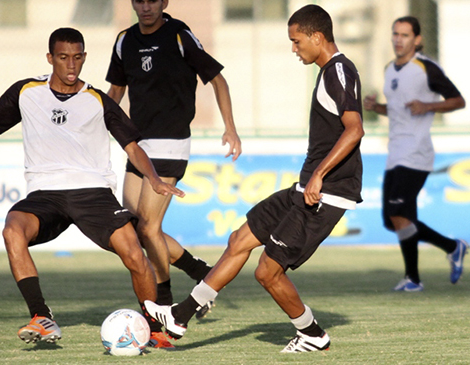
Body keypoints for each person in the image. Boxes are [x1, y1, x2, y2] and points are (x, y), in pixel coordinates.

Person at [0, 27, 184, 344]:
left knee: (135, 254)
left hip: (93, 193)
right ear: (50, 58)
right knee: (12, 229)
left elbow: (133, 147)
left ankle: (153, 329)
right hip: (45, 195)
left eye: (77, 58)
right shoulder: (26, 92)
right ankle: (41, 316)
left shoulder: (98, 100)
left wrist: (153, 177)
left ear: (84, 58)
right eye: (63, 57)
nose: (71, 65)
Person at [145, 4, 365, 353]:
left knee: (267, 272)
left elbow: (355, 130)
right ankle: (181, 316)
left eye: (296, 41)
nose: (294, 49)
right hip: (306, 186)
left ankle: (312, 335)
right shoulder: (329, 73)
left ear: (316, 37)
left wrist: (320, 176)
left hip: (326, 193)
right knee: (240, 238)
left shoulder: (339, 71)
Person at [105, 0, 242, 348]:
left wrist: (230, 127)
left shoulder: (179, 35)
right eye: (139, 0)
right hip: (137, 144)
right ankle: (200, 272)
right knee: (134, 230)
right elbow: (115, 94)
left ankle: (165, 306)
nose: (146, 6)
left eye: (153, 0)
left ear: (164, 2)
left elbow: (218, 80)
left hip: (170, 143)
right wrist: (97, 124)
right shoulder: (124, 41)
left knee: (149, 227)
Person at [363, 16, 467, 292]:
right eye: (395, 34)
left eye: (405, 35)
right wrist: (377, 108)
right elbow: (397, 110)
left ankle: (414, 278)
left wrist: (428, 106)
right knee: (392, 219)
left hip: (417, 152)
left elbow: (458, 100)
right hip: (394, 153)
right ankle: (451, 247)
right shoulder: (389, 69)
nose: (399, 39)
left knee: (399, 213)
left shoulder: (425, 68)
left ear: (417, 40)